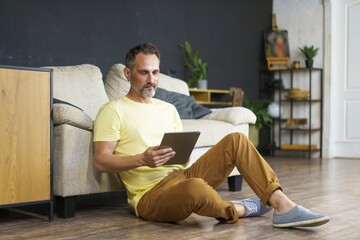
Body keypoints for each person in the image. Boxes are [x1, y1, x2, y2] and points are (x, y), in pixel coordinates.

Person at [93, 43, 329, 228]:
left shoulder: (168, 109)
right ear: (127, 73)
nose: (151, 79)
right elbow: (101, 161)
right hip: (149, 197)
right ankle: (240, 209)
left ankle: (282, 205)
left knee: (235, 140)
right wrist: (142, 159)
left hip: (180, 176)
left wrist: (181, 157)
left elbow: (180, 157)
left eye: (155, 72)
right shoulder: (113, 110)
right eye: (144, 72)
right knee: (195, 187)